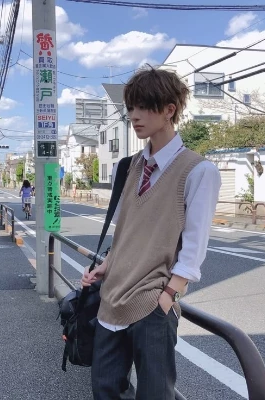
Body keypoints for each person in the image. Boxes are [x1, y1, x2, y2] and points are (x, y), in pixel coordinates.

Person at [81, 66, 221, 400]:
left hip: (152, 304)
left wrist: (169, 295)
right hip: (111, 300)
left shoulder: (199, 171)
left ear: (169, 110)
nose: (134, 115)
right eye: (131, 107)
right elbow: (127, 230)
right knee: (104, 390)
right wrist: (106, 265)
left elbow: (194, 246)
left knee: (155, 395)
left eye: (144, 106)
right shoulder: (129, 167)